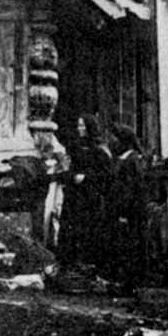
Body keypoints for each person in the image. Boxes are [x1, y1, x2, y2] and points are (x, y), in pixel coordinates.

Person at [57, 114, 112, 269]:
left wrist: (86, 177)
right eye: (78, 125)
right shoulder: (75, 147)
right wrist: (70, 175)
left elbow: (106, 175)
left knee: (88, 229)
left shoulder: (100, 150)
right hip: (74, 195)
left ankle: (89, 263)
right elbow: (71, 168)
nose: (79, 128)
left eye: (82, 125)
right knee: (71, 228)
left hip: (90, 197)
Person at [108, 123, 148, 293]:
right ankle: (123, 282)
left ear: (123, 141)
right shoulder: (122, 159)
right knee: (122, 246)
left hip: (131, 212)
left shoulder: (132, 161)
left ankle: (131, 284)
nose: (112, 142)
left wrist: (124, 212)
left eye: (115, 139)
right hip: (122, 210)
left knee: (130, 247)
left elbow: (131, 190)